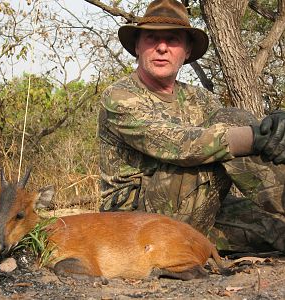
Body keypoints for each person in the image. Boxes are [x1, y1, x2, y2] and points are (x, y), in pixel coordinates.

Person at [98, 0, 285, 253]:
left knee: (276, 231)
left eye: (173, 39)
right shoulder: (119, 96)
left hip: (197, 210)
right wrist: (257, 137)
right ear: (137, 47)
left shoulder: (200, 98)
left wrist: (273, 130)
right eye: (152, 38)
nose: (162, 47)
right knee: (233, 121)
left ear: (186, 51)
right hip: (134, 225)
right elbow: (177, 144)